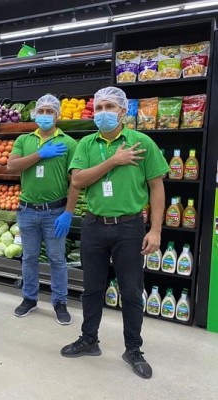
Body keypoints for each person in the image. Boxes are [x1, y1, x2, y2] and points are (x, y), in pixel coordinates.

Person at [61, 87, 169, 379]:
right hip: (94, 225)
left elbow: (157, 187)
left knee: (132, 292)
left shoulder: (142, 142)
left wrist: (156, 230)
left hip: (130, 227)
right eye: (98, 107)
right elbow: (77, 181)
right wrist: (113, 161)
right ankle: (89, 339)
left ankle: (133, 348)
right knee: (92, 289)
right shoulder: (85, 143)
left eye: (110, 106)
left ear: (123, 111)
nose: (103, 112)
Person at [7, 94, 79, 324]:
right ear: (35, 113)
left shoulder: (68, 143)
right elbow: (11, 166)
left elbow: (75, 180)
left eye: (50, 111)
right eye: (42, 111)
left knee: (57, 259)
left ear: (57, 115)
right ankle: (29, 298)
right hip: (26, 210)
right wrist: (40, 154)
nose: (45, 115)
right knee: (29, 257)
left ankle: (60, 301)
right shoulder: (24, 140)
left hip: (55, 211)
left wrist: (68, 212)